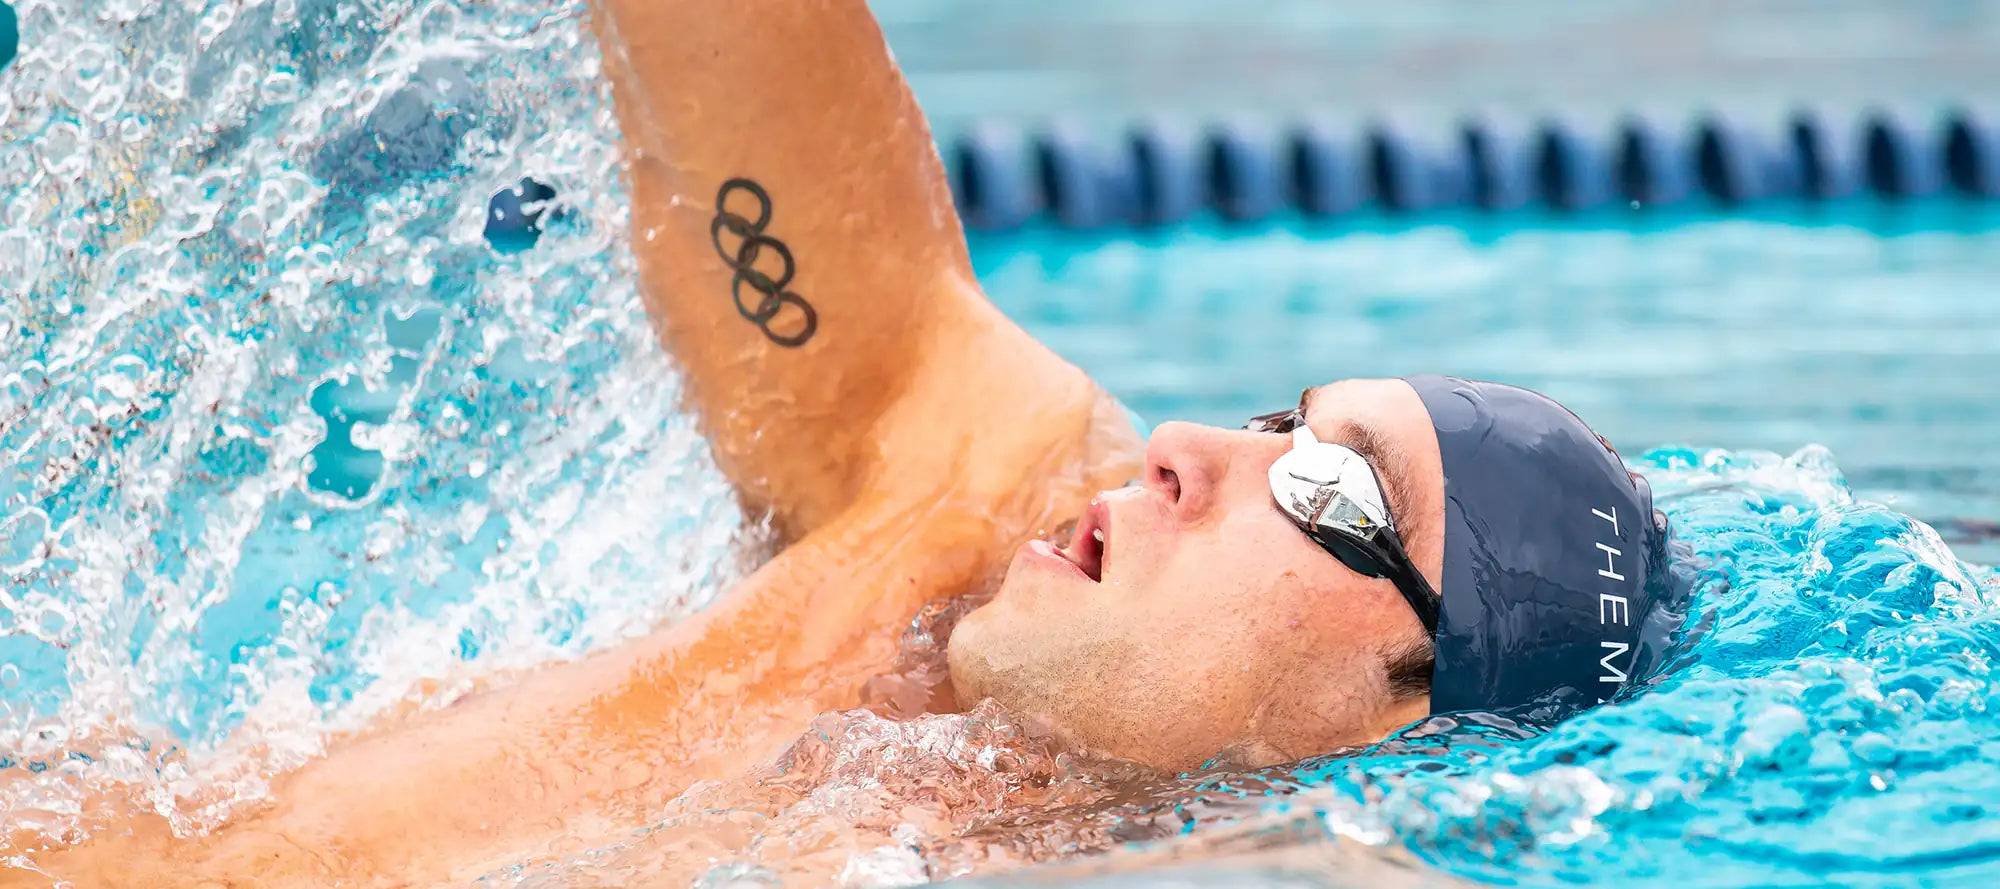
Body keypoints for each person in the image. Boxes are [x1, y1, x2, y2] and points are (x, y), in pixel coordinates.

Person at [7, 0, 1678, 885]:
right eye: (1271, 423)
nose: (1182, 449)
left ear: (1409, 733)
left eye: (1328, 490)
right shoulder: (954, 500)